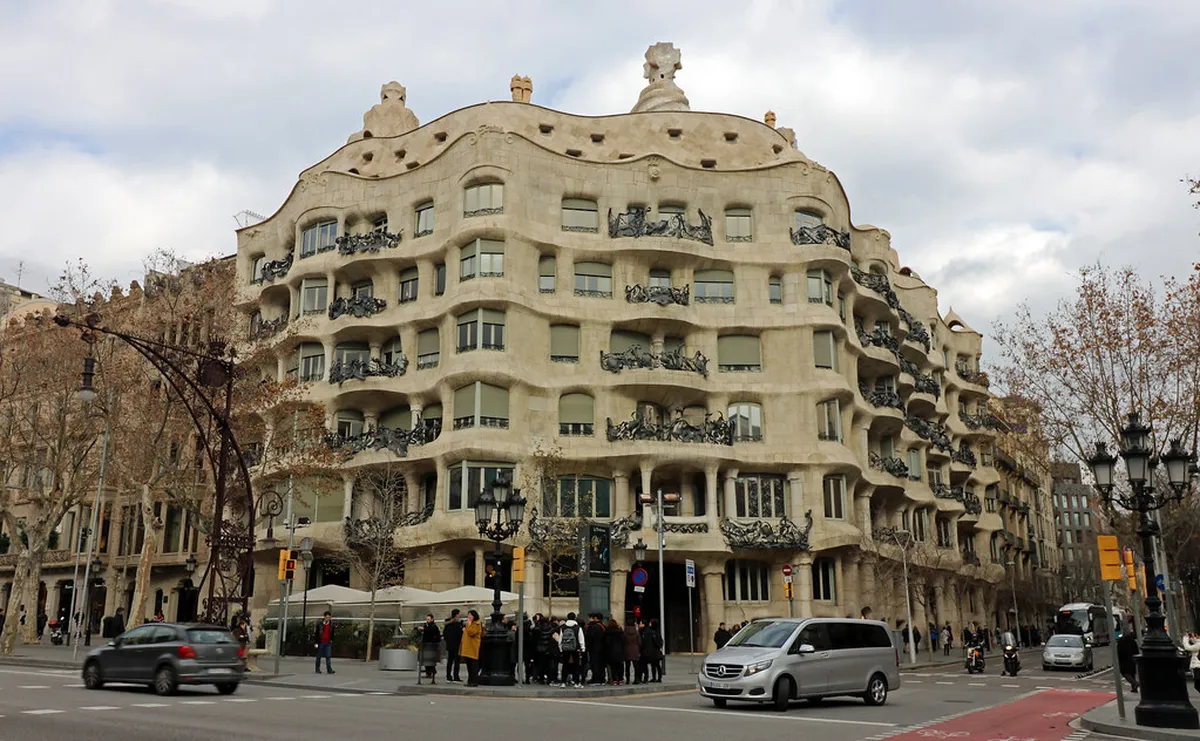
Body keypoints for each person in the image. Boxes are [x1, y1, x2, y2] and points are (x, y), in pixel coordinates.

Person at [558, 612, 585, 687]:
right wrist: (583, 649)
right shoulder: (577, 627)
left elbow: (560, 639)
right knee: (576, 665)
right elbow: (581, 639)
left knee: (565, 665)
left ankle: (563, 682)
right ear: (575, 618)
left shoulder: (563, 627)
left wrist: (561, 649)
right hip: (575, 648)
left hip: (565, 648)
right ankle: (576, 682)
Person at [461, 610, 483, 687]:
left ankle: (474, 681)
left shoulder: (477, 624)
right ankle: (470, 681)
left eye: (470, 615)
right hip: (468, 647)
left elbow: (471, 632)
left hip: (473, 647)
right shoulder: (469, 624)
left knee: (473, 666)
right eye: (468, 615)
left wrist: (469, 624)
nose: (469, 617)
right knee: (469, 665)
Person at [1117, 622, 1139, 693]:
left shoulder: (1121, 641)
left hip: (1124, 660)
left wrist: (1118, 659)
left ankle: (1135, 683)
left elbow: (1119, 651)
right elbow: (1136, 650)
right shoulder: (1133, 641)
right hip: (1132, 659)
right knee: (1132, 673)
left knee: (1125, 673)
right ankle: (1134, 688)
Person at [585, 613, 606, 685]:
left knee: (595, 664)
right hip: (603, 648)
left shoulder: (593, 627)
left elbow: (589, 638)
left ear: (595, 618)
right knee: (601, 664)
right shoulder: (603, 626)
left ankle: (596, 679)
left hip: (594, 648)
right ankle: (602, 678)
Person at [443, 609, 463, 682]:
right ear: (457, 614)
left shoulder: (448, 624)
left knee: (450, 661)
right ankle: (456, 677)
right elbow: (460, 634)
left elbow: (444, 634)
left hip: (449, 645)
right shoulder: (457, 624)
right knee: (457, 661)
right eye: (459, 614)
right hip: (456, 645)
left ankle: (448, 676)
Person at [641, 618, 664, 683]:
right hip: (655, 651)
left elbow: (645, 641)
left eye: (650, 622)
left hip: (650, 650)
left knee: (653, 665)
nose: (649, 623)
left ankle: (654, 678)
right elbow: (660, 641)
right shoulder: (656, 631)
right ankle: (658, 678)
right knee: (656, 665)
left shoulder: (649, 631)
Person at [420, 613, 441, 682]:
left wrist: (423, 629)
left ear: (432, 619)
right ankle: (428, 673)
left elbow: (431, 631)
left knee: (431, 659)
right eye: (427, 619)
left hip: (432, 644)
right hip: (426, 644)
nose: (427, 620)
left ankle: (431, 671)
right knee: (427, 659)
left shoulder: (433, 626)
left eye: (428, 619)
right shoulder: (426, 625)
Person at [605, 618, 624, 685]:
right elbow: (623, 641)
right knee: (620, 666)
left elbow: (607, 643)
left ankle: (615, 680)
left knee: (613, 667)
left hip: (611, 651)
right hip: (620, 651)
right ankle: (621, 679)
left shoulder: (608, 633)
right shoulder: (620, 632)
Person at [623, 618, 641, 684]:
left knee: (627, 666)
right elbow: (639, 642)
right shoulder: (636, 631)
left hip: (627, 650)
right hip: (635, 650)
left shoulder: (625, 631)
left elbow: (623, 640)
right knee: (636, 666)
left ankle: (627, 679)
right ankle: (636, 679)